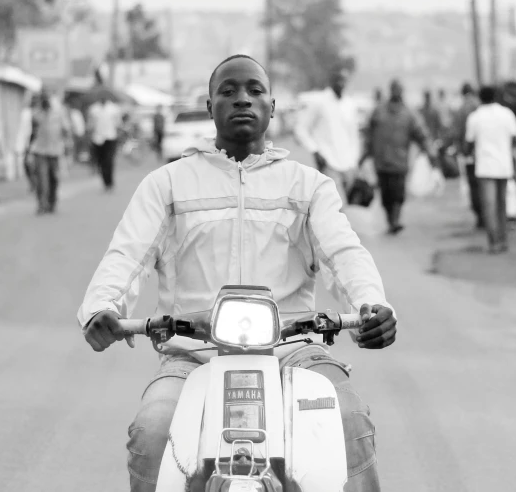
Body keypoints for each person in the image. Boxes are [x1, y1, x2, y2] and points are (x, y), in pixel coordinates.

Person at [77, 54, 397, 492]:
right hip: (192, 353)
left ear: (272, 106)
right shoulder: (167, 183)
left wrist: (371, 305)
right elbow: (125, 255)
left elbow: (344, 252)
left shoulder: (308, 185)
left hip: (294, 350)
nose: (242, 99)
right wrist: (101, 307)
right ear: (210, 107)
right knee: (151, 432)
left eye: (255, 91)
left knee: (350, 423)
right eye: (228, 92)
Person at [361, 79, 433, 235]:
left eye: (399, 89)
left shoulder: (409, 113)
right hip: (381, 161)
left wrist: (429, 150)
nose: (396, 92)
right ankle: (390, 219)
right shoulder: (378, 111)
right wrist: (364, 154)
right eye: (394, 89)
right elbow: (368, 134)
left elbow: (421, 134)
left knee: (398, 192)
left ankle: (396, 220)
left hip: (400, 161)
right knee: (386, 193)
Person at [294, 64, 361, 205]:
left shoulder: (349, 104)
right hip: (329, 162)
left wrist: (355, 160)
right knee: (335, 205)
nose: (340, 83)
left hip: (348, 164)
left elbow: (354, 135)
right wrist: (315, 150)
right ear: (331, 81)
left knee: (348, 206)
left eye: (343, 80)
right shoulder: (320, 102)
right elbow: (301, 129)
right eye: (337, 79)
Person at [465, 85, 516, 254]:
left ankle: (494, 242)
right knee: (501, 204)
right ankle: (503, 240)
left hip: (485, 166)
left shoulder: (475, 117)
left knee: (489, 206)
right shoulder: (507, 114)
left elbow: (468, 143)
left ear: (480, 97)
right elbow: (515, 139)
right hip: (504, 165)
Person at [29, 91, 71, 214]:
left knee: (54, 178)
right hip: (40, 150)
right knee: (42, 179)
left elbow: (66, 130)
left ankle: (52, 202)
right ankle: (42, 204)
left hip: (55, 150)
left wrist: (67, 144)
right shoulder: (36, 114)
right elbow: (33, 133)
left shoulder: (59, 113)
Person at [451, 83, 483, 228]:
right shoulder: (481, 105)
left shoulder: (461, 109)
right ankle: (488, 214)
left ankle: (480, 214)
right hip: (485, 153)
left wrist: (459, 149)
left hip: (469, 154)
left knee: (474, 185)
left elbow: (456, 132)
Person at [87, 97, 120, 191]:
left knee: (109, 161)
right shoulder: (93, 109)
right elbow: (90, 124)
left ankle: (110, 182)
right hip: (97, 138)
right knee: (101, 162)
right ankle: (105, 182)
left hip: (110, 137)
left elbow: (118, 123)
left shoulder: (114, 108)